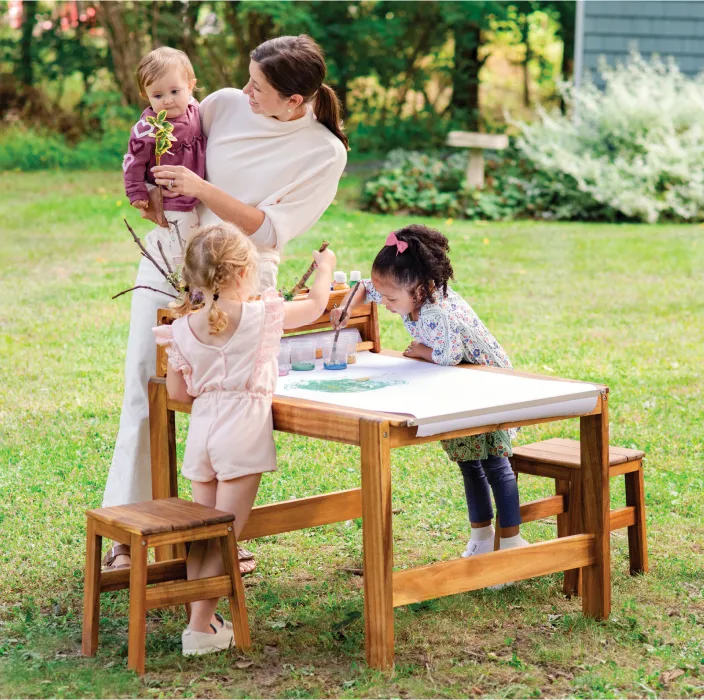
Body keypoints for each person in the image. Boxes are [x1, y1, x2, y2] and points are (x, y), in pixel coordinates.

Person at [102, 35, 348, 574]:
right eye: (248, 79)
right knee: (147, 380)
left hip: (240, 274)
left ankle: (216, 534)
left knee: (226, 398)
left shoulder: (323, 152)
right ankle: (129, 527)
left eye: (258, 87)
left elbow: (269, 228)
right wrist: (152, 192)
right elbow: (171, 143)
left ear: (295, 101)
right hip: (174, 252)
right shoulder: (226, 105)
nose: (244, 91)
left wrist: (199, 187)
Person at [153, 223, 336, 656]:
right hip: (241, 433)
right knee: (226, 536)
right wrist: (325, 267)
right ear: (240, 273)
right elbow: (313, 307)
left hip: (203, 432)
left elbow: (178, 394)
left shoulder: (181, 328)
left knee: (204, 533)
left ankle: (205, 621)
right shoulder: (259, 316)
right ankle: (198, 630)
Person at [331, 224, 529, 560]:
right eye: (386, 297)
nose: (387, 303)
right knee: (469, 462)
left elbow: (449, 355)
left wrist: (421, 350)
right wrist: (349, 307)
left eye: (392, 298)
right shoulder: (409, 295)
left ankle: (511, 543)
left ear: (421, 290)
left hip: (488, 385)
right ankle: (482, 537)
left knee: (495, 463)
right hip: (460, 387)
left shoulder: (437, 312)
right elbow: (364, 287)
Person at [122, 46, 205, 265]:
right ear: (145, 96)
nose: (167, 100)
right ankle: (180, 278)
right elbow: (133, 162)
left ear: (190, 86)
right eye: (158, 95)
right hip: (170, 195)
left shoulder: (196, 109)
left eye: (175, 92)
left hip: (196, 188)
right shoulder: (148, 128)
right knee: (183, 238)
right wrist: (137, 192)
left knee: (201, 235)